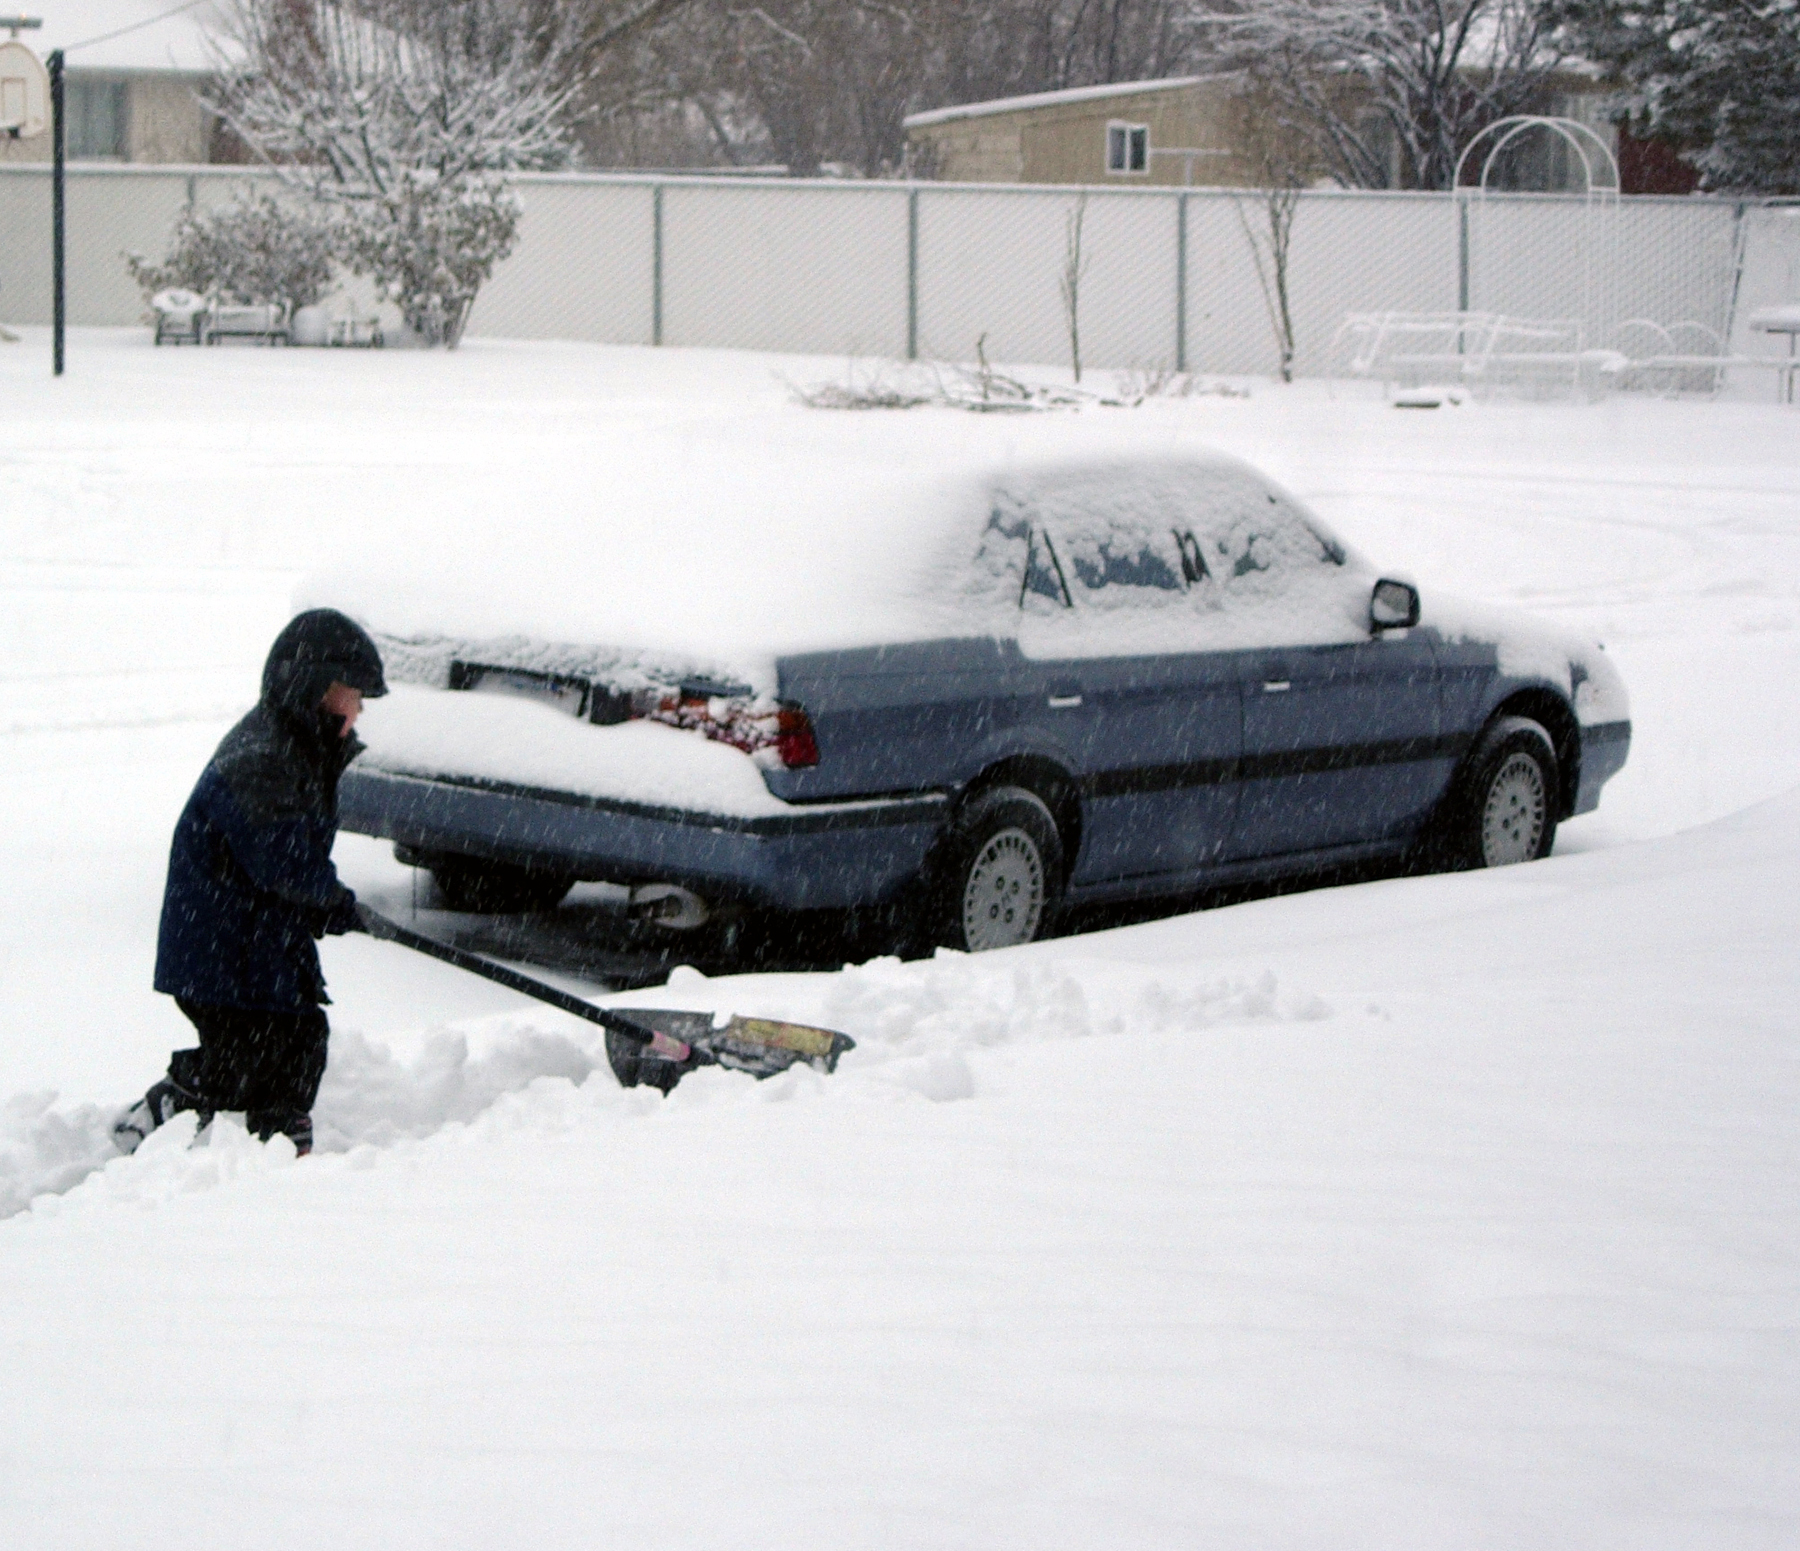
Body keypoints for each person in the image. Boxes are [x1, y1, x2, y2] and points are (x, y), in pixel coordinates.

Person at [112, 609, 387, 1157]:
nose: (358, 710)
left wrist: (319, 905)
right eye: (351, 694)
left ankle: (278, 1138)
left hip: (255, 941)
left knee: (293, 1044)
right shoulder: (263, 757)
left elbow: (287, 858)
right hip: (220, 948)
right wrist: (330, 900)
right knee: (246, 1059)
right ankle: (173, 1113)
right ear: (312, 688)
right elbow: (280, 857)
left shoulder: (298, 743)